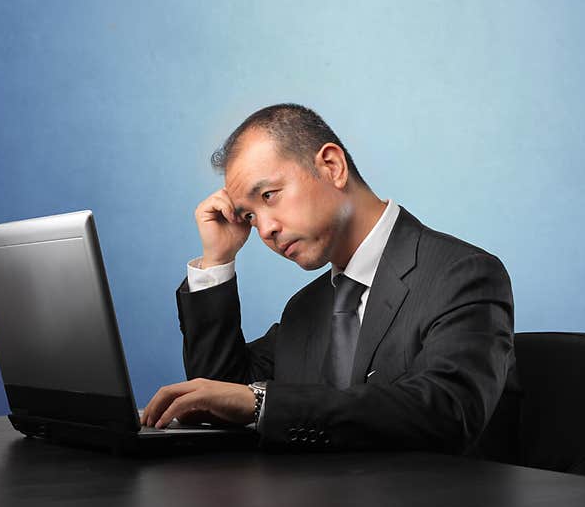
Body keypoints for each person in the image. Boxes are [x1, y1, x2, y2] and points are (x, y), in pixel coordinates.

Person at [142, 104, 521, 456]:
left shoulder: (463, 275)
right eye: (250, 217)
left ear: (332, 166)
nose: (266, 230)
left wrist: (262, 403)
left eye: (269, 196)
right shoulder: (305, 309)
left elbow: (449, 413)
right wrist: (217, 261)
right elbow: (219, 396)